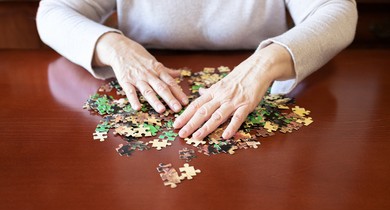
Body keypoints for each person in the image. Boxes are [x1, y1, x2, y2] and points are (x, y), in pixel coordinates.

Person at [36, 0, 357, 140]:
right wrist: (113, 45)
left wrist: (267, 62)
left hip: (255, 78)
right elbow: (53, 11)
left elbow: (337, 10)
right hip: (150, 77)